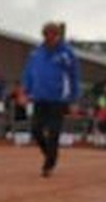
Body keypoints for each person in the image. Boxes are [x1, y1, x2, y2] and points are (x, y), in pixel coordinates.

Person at [21, 21, 80, 176]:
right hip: (39, 97)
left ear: (58, 35)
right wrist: (24, 91)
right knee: (36, 130)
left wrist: (74, 100)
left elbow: (74, 77)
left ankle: (48, 165)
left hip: (58, 99)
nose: (50, 37)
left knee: (53, 132)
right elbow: (28, 74)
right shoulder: (35, 53)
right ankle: (50, 154)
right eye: (47, 34)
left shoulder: (66, 53)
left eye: (53, 34)